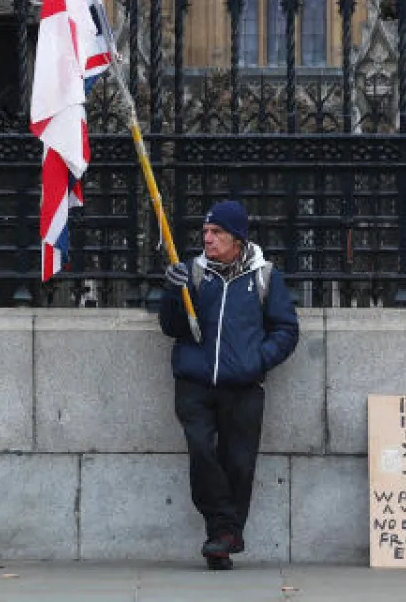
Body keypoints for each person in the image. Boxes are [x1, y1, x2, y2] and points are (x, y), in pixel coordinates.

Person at [158, 200, 299, 571]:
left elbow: (286, 330)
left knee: (238, 462)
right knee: (202, 451)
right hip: (196, 382)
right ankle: (225, 530)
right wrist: (173, 293)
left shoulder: (264, 276)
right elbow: (171, 327)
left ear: (237, 238)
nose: (207, 238)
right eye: (205, 232)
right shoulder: (192, 272)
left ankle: (222, 539)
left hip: (243, 385)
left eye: (216, 232)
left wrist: (257, 360)